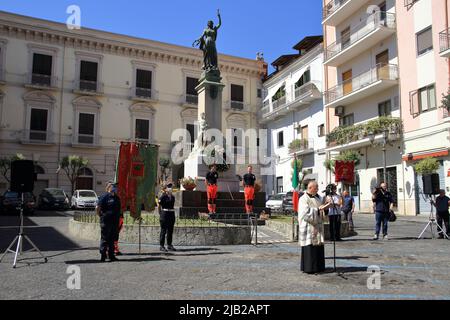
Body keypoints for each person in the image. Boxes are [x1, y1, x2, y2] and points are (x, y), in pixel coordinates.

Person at [298, 181, 331, 274]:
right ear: (310, 188)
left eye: (317, 187)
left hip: (318, 226)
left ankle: (319, 266)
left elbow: (322, 210)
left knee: (318, 247)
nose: (317, 189)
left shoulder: (319, 197)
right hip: (309, 226)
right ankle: (309, 267)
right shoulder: (303, 199)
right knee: (310, 246)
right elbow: (305, 213)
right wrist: (318, 209)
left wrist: (326, 208)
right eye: (316, 187)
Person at [96, 183, 121, 262]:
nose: (115, 188)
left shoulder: (117, 198)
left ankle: (111, 255)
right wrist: (100, 215)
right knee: (105, 239)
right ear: (109, 187)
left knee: (112, 239)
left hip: (114, 221)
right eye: (113, 186)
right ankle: (103, 255)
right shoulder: (104, 196)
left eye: (116, 187)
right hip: (106, 221)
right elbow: (98, 207)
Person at [158, 183, 176, 253]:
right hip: (164, 214)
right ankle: (161, 246)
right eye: (168, 187)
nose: (170, 188)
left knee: (170, 230)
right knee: (163, 230)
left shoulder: (173, 197)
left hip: (171, 214)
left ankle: (169, 245)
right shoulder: (163, 196)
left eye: (171, 187)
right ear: (165, 189)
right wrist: (161, 214)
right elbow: (159, 206)